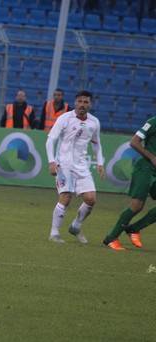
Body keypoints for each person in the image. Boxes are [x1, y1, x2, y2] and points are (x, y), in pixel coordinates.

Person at [45, 90, 104, 244]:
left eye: (86, 102)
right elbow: (51, 140)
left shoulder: (94, 122)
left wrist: (100, 162)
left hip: (81, 165)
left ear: (90, 104)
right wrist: (51, 161)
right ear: (75, 103)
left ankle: (75, 226)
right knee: (65, 197)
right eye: (80, 101)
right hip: (63, 164)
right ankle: (54, 233)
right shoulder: (64, 118)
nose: (82, 105)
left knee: (91, 199)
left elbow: (96, 143)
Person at [103, 116, 156, 251]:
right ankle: (111, 238)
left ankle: (134, 228)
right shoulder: (153, 122)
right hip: (145, 168)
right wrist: (152, 157)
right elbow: (134, 142)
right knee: (137, 205)